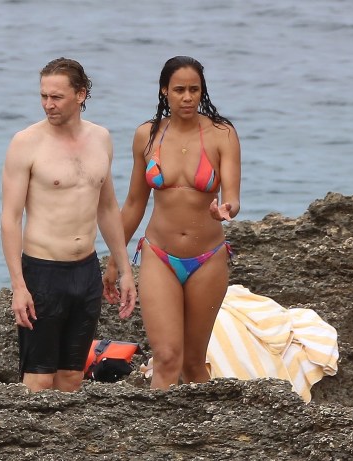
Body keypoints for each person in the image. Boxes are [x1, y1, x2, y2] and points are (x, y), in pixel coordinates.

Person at [103, 56, 241, 389]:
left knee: (193, 362)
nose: (187, 97)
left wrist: (225, 209)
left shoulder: (222, 134)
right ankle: (155, 424)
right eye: (179, 90)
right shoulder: (147, 136)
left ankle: (204, 422)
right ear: (165, 90)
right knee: (166, 358)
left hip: (208, 258)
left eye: (194, 89)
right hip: (159, 254)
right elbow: (134, 204)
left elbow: (233, 199)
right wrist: (115, 261)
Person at [1, 57, 137, 393]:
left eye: (57, 97)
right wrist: (18, 286)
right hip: (42, 272)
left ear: (80, 94)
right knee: (38, 380)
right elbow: (11, 218)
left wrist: (125, 270)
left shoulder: (101, 138)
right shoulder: (26, 142)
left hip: (85, 272)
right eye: (43, 96)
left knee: (72, 378)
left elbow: (107, 208)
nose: (48, 104)